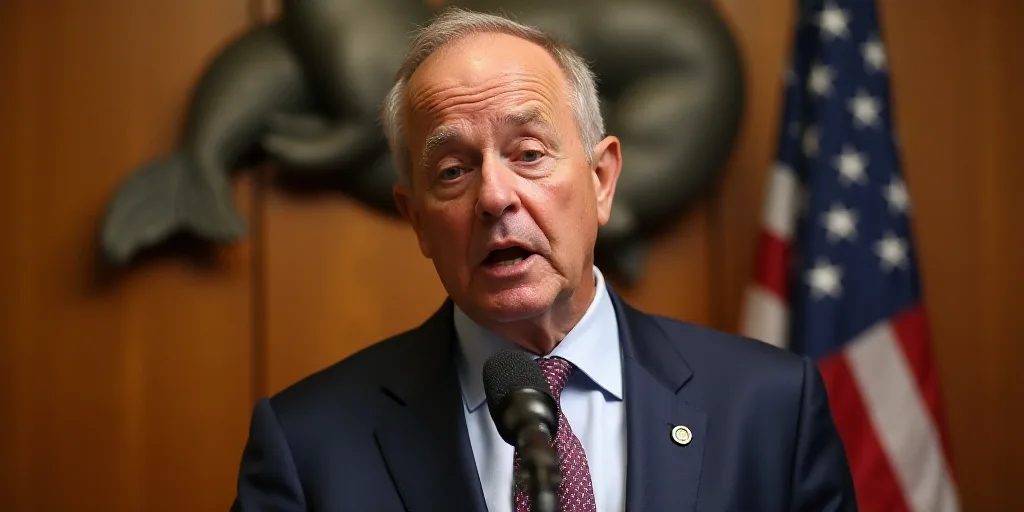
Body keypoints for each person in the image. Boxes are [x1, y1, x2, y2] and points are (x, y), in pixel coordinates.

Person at [231, 7, 856, 511]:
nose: (494, 196)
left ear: (602, 180)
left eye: (528, 153)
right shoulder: (308, 445)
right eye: (452, 170)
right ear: (417, 219)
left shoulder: (771, 408)